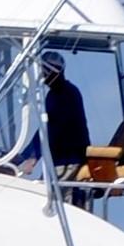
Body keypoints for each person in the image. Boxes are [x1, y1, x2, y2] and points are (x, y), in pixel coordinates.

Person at [39, 49, 92, 177]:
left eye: (44, 71)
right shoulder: (56, 94)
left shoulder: (65, 94)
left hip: (69, 161)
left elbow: (51, 127)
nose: (42, 76)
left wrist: (32, 156)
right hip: (60, 160)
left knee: (45, 193)